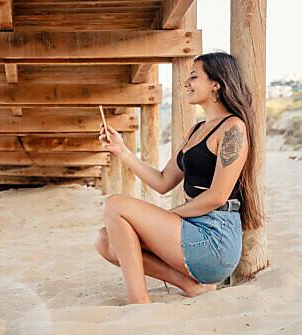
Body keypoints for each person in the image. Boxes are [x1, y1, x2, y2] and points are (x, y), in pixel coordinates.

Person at [94, 52, 264, 304]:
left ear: (216, 84)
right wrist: (122, 151)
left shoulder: (233, 128)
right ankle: (190, 286)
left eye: (194, 76)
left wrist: (168, 217)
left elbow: (216, 196)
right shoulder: (196, 130)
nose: (185, 83)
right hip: (192, 231)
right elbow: (163, 181)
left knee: (115, 204)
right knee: (105, 240)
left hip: (215, 239)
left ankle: (138, 301)